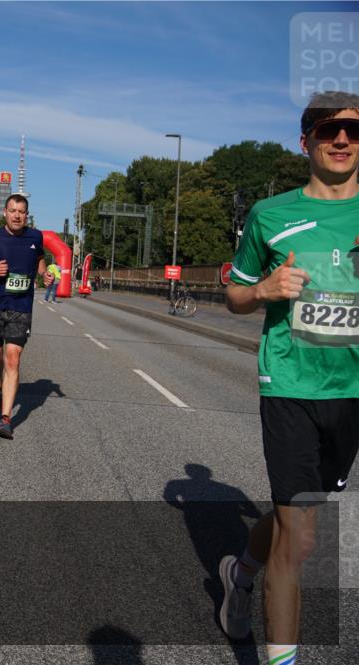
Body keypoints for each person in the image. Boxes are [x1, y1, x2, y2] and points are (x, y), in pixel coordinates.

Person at [219, 91, 358, 664]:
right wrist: (262, 291)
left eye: (355, 131)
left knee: (289, 518)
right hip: (291, 387)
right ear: (306, 142)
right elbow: (233, 294)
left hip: (350, 392)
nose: (344, 140)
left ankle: (239, 572)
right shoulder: (270, 214)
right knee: (300, 538)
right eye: (330, 131)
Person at [0, 194, 52, 439]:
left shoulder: (35, 237)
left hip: (21, 307)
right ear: (5, 212)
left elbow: (39, 259)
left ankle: (6, 419)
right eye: (12, 210)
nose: (17, 215)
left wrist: (44, 275)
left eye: (21, 211)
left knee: (12, 358)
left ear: (27, 215)